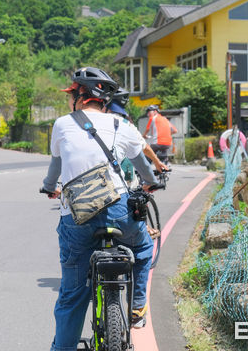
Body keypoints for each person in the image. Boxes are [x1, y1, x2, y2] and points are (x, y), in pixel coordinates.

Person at [42, 67, 159, 351]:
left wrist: (49, 187)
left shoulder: (61, 124)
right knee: (143, 249)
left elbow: (55, 168)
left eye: (73, 94)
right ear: (102, 99)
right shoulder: (121, 125)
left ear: (82, 96)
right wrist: (150, 183)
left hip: (77, 217)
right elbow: (143, 166)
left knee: (72, 294)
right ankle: (137, 307)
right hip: (120, 211)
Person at [104, 88, 169, 176]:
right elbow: (174, 130)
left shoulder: (152, 118)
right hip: (167, 143)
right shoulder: (165, 119)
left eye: (150, 112)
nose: (149, 114)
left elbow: (147, 129)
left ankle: (146, 172)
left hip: (156, 142)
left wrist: (145, 135)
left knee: (146, 158)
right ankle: (158, 169)